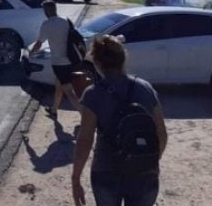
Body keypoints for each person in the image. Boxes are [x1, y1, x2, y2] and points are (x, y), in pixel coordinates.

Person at [71, 35, 168, 206]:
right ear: (123, 59)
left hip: (106, 170)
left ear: (98, 63)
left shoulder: (93, 94)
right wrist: (150, 161)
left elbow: (85, 139)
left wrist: (76, 178)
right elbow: (161, 133)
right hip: (144, 172)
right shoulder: (145, 88)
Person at [29, 0, 82, 117]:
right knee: (59, 84)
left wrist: (31, 54)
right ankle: (54, 110)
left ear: (47, 10)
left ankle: (85, 115)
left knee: (68, 91)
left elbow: (39, 43)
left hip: (59, 63)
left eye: (44, 9)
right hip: (70, 60)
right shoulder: (65, 21)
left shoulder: (47, 24)